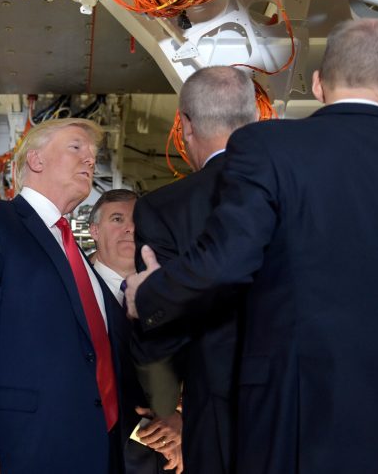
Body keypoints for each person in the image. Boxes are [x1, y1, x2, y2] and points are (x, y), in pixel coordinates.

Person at [125, 19, 378, 473]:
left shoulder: (270, 149)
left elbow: (226, 263)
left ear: (319, 84)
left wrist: (148, 295)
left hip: (294, 411)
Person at [0, 118, 144, 474]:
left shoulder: (76, 255)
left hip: (95, 447)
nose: (90, 160)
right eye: (76, 147)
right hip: (20, 447)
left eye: (94, 154)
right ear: (36, 160)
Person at [132, 66, 257, 474]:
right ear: (254, 115)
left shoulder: (164, 208)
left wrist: (166, 406)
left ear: (184, 125)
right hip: (303, 397)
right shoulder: (299, 187)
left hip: (215, 405)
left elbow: (165, 328)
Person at [88, 189, 182, 474]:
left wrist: (180, 417)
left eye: (136, 220)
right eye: (117, 219)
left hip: (169, 456)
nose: (129, 227)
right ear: (94, 230)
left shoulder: (179, 290)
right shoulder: (70, 291)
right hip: (95, 450)